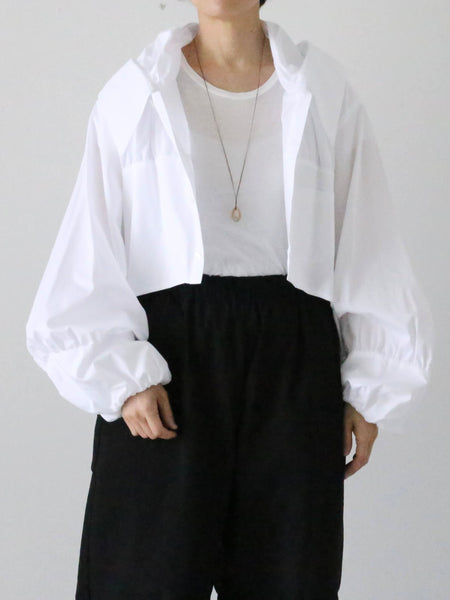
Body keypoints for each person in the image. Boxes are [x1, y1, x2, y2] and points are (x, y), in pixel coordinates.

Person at [25, 1, 434, 598]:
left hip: (294, 363)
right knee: (141, 577)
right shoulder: (135, 93)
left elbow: (366, 236)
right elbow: (89, 245)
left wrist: (372, 387)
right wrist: (119, 377)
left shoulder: (323, 91)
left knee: (291, 578)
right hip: (167, 364)